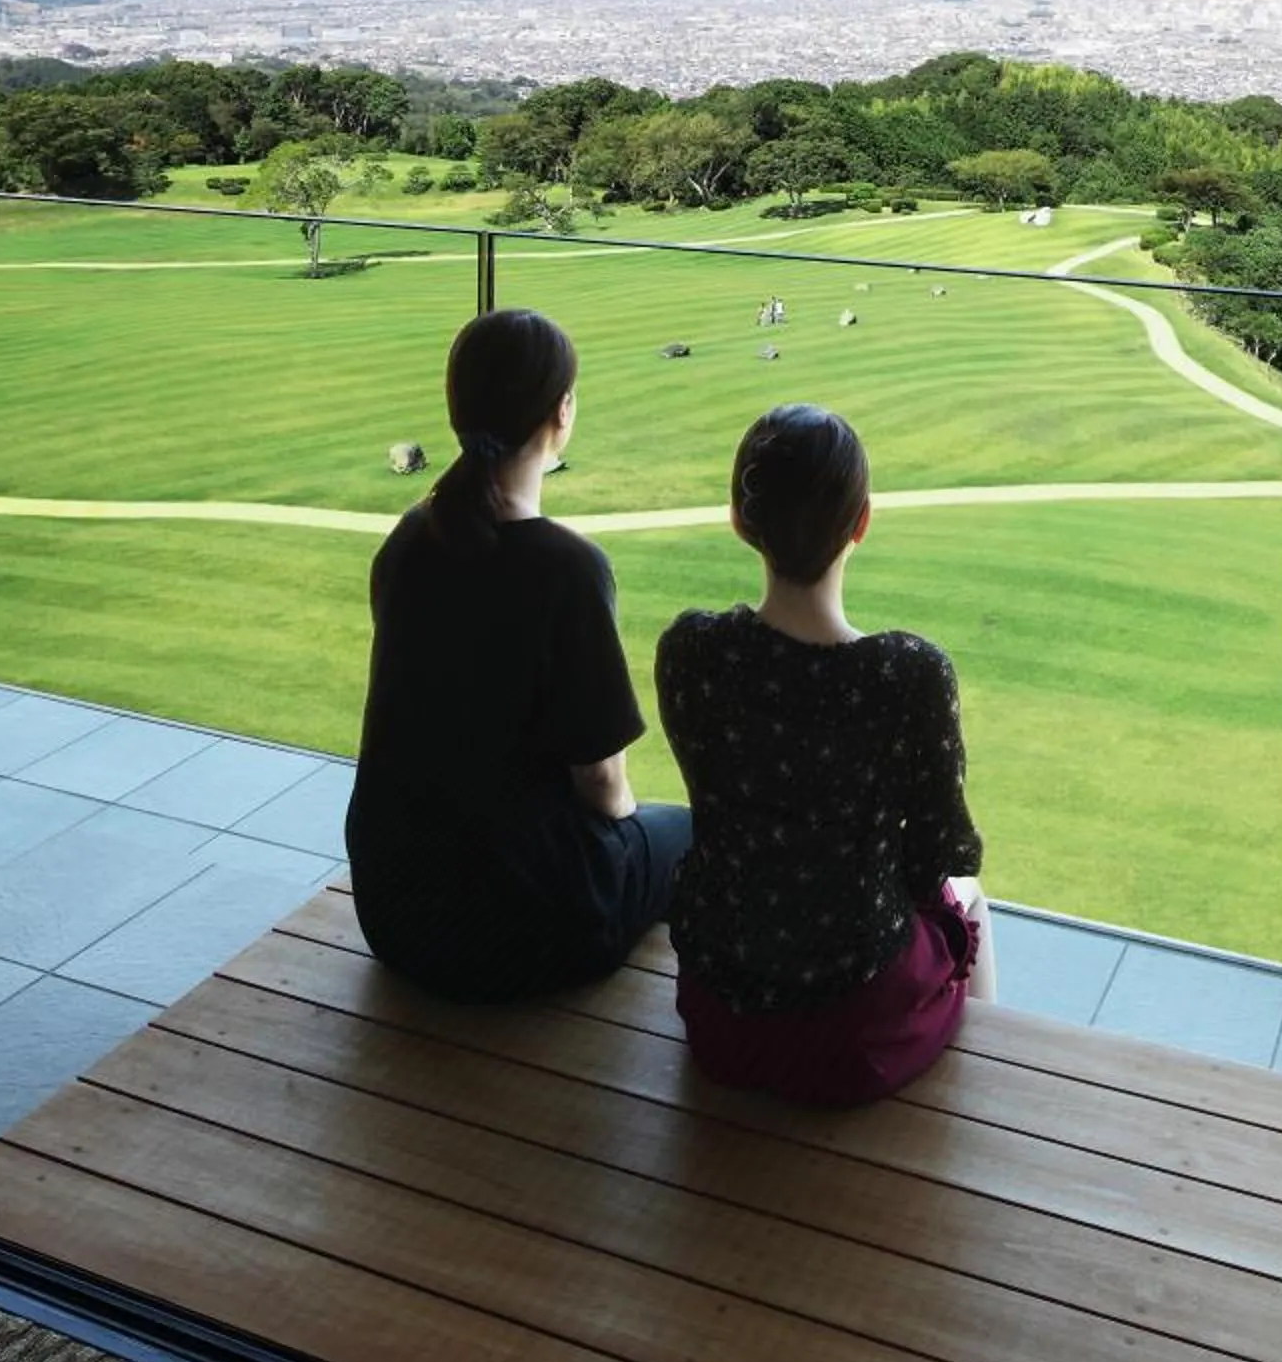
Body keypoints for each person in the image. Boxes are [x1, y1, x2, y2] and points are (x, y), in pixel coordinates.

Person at [347, 309, 690, 1002]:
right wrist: (629, 834)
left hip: (393, 909)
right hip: (528, 928)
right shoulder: (566, 569)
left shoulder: (408, 542)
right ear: (562, 411)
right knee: (688, 832)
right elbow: (602, 785)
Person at [658, 404, 996, 1105]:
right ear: (861, 521)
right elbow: (946, 855)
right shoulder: (907, 673)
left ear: (740, 520)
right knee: (970, 902)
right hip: (856, 1037)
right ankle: (980, 1094)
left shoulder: (691, 651)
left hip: (721, 1017)